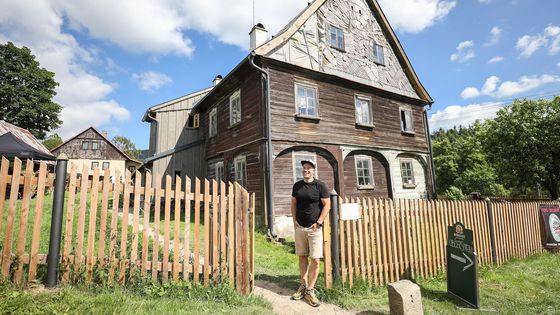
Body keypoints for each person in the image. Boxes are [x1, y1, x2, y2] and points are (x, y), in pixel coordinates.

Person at [290, 159, 330, 307]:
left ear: (313, 170)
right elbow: (293, 203)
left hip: (315, 229)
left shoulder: (321, 186)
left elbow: (327, 205)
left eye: (309, 168)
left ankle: (310, 290)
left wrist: (319, 222)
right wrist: (294, 221)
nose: (306, 170)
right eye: (304, 168)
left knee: (315, 259)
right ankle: (303, 285)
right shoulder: (297, 186)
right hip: (300, 228)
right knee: (302, 257)